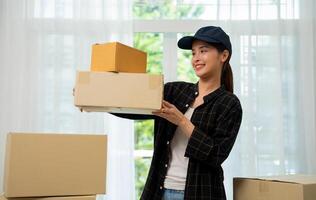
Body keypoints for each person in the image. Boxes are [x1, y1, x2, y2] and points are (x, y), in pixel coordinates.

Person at [114, 26, 243, 200]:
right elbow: (135, 108)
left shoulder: (229, 104)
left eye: (203, 51)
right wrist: (95, 100)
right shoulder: (174, 91)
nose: (196, 58)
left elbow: (215, 155)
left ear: (224, 56)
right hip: (159, 191)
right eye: (193, 53)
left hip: (201, 193)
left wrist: (182, 120)